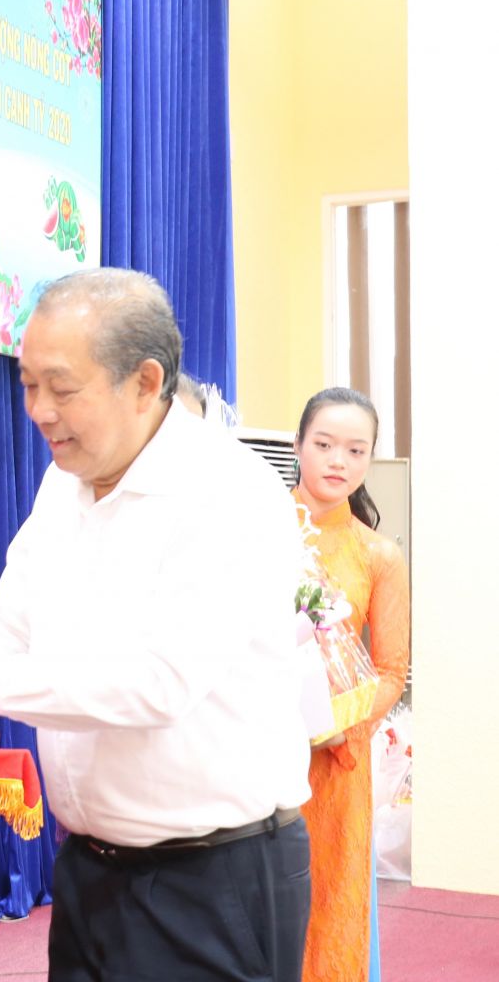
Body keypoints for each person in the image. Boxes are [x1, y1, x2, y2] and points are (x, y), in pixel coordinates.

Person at [0, 268, 313, 982]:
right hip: (90, 872)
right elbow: (8, 634)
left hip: (209, 880)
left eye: (61, 388)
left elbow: (156, 686)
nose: (38, 411)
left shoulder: (225, 492)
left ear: (144, 383)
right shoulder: (63, 482)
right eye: (27, 384)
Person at [291, 388, 409, 982]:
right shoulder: (256, 533)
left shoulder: (378, 555)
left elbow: (391, 671)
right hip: (258, 749)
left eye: (355, 450)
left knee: (335, 900)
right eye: (325, 444)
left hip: (339, 759)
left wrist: (337, 725)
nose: (339, 461)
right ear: (299, 446)